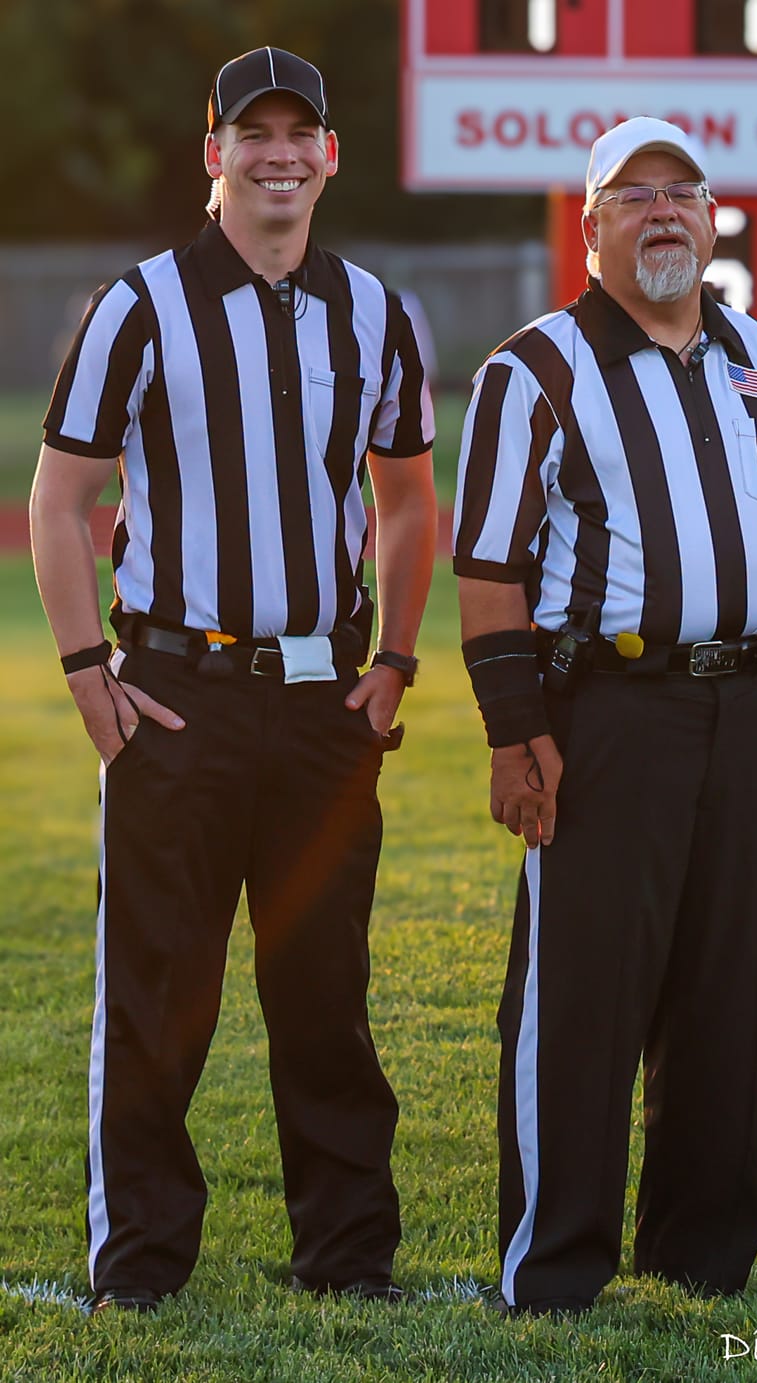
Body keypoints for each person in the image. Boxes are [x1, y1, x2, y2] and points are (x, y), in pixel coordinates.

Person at [31, 47, 434, 1313]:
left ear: (329, 154)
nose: (276, 154)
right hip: (178, 696)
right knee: (160, 997)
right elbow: (58, 498)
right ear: (213, 155)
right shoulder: (139, 306)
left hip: (323, 703)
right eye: (250, 133)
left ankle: (348, 1256)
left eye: (296, 133)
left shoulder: (374, 311)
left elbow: (407, 500)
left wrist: (396, 660)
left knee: (327, 996)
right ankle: (142, 1266)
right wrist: (88, 676)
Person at [452, 117, 757, 1314]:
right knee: (583, 993)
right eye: (633, 194)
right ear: (591, 225)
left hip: (747, 705)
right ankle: (555, 1260)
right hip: (608, 709)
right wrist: (513, 733)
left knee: (729, 987)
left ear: (710, 216)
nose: (662, 211)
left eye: (682, 191)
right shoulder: (535, 369)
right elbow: (488, 570)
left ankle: (701, 1252)